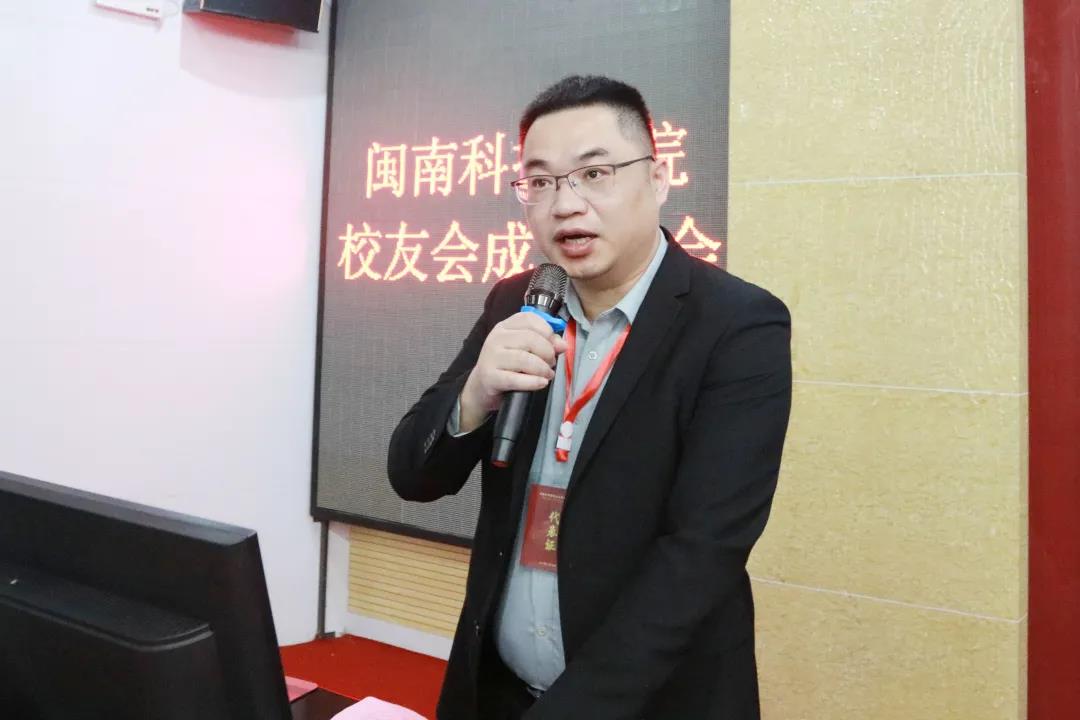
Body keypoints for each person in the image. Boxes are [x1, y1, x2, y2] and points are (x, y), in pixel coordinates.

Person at [388, 75, 792, 720]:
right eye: (540, 182)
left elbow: (701, 553)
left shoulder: (738, 325)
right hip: (498, 692)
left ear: (657, 179)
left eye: (594, 174)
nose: (565, 205)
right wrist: (476, 394)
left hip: (651, 705)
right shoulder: (518, 300)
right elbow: (414, 475)